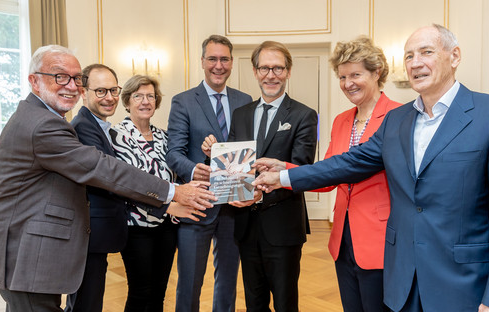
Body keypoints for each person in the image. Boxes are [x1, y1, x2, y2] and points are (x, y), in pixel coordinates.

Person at [253, 24, 489, 312]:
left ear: (454, 56)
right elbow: (348, 163)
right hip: (404, 282)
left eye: (426, 52)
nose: (415, 63)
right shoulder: (397, 121)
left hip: (464, 285)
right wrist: (283, 175)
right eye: (409, 55)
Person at [0, 45, 214, 312]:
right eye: (60, 77)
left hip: (33, 252)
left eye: (76, 79)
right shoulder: (43, 124)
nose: (71, 86)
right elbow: (102, 168)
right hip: (28, 255)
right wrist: (173, 192)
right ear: (35, 81)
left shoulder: (43, 118)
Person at [256, 36, 401, 311]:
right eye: (343, 76)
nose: (348, 84)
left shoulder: (398, 116)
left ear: (377, 72)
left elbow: (349, 167)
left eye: (356, 74)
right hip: (343, 240)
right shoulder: (342, 120)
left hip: (380, 240)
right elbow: (327, 176)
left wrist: (283, 177)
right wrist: (283, 167)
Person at [204, 40, 317, 312]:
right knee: (254, 303)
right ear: (255, 72)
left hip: (283, 224)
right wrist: (217, 159)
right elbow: (234, 163)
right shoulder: (240, 114)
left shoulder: (304, 115)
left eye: (278, 68)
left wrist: (259, 191)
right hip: (245, 224)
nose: (271, 75)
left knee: (285, 302)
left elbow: (300, 169)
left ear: (288, 72)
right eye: (264, 68)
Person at [167, 34, 252, 312]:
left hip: (234, 205)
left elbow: (248, 150)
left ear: (231, 62)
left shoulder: (245, 100)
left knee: (228, 280)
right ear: (202, 61)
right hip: (198, 203)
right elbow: (174, 152)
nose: (219, 65)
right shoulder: (183, 101)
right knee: (190, 281)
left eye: (224, 59)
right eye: (212, 59)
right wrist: (195, 169)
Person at [110, 75, 182, 311]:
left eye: (150, 96)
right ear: (127, 101)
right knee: (141, 292)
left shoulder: (165, 136)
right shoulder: (115, 135)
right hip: (136, 226)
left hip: (168, 224)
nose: (145, 101)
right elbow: (124, 183)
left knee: (160, 291)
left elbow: (176, 175)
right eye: (138, 96)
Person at [64, 64, 127, 312]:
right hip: (89, 233)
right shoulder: (82, 127)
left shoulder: (100, 125)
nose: (109, 97)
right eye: (100, 91)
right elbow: (108, 177)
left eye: (113, 90)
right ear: (83, 91)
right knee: (85, 304)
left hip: (100, 233)